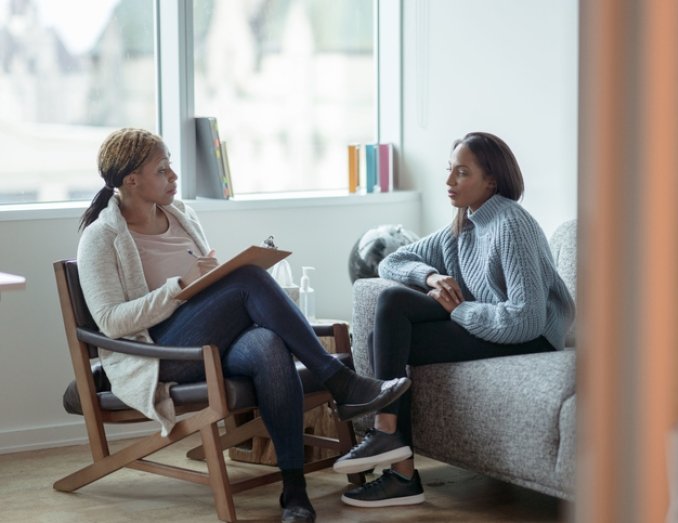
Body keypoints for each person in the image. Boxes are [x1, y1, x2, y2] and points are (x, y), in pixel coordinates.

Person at [76, 128, 410, 523]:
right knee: (248, 278)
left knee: (268, 343)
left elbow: (202, 293)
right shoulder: (101, 237)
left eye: (171, 168)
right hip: (159, 354)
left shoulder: (182, 216)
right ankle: (340, 381)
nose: (174, 178)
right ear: (131, 180)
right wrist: (180, 287)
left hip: (207, 342)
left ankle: (295, 491)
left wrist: (205, 282)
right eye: (163, 170)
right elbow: (112, 322)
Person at [332, 131, 576, 507]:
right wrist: (432, 277)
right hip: (491, 319)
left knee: (393, 316)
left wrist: (459, 310)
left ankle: (389, 445)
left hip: (532, 336)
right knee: (386, 321)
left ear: (491, 180)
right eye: (450, 171)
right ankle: (401, 470)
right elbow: (390, 261)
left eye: (462, 173)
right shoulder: (463, 226)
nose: (448, 182)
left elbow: (526, 319)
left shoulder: (512, 224)